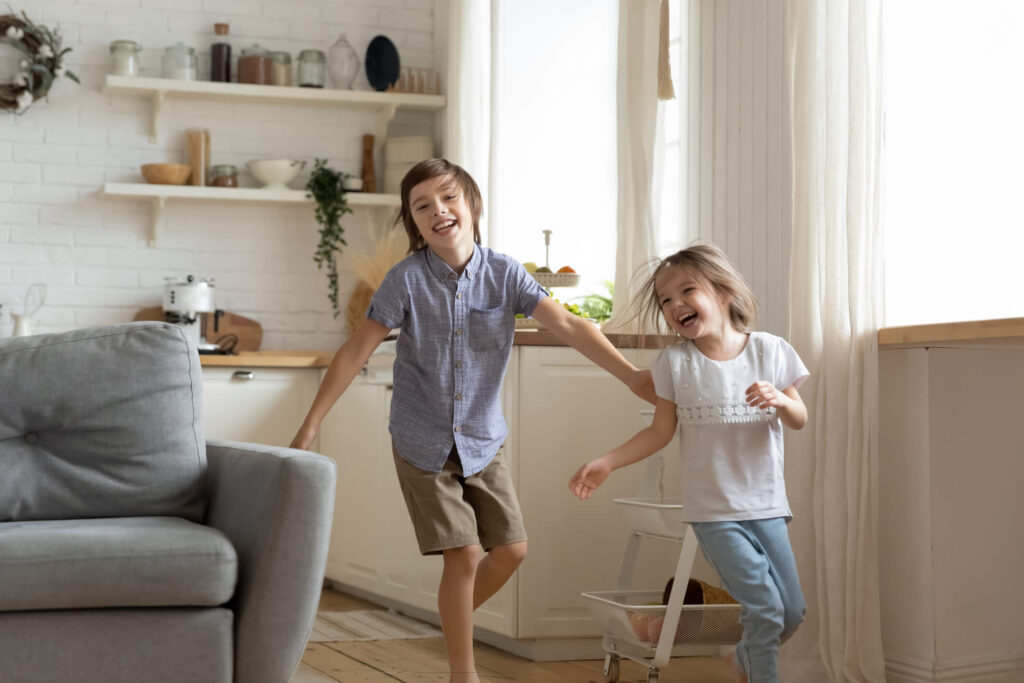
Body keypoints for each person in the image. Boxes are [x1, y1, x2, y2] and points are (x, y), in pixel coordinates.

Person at [291, 158, 656, 683]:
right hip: (422, 441)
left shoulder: (506, 274)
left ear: (472, 205)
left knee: (512, 551)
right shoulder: (405, 280)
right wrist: (311, 424)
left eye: (448, 198)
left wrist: (632, 376)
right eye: (422, 206)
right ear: (414, 223)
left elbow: (570, 325)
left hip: (484, 440)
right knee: (462, 555)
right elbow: (355, 351)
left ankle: (451, 615)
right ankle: (463, 673)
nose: (438, 210)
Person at [568, 243, 808, 683]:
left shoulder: (771, 351)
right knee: (765, 608)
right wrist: (608, 461)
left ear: (724, 292)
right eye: (665, 299)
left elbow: (799, 418)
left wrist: (780, 399)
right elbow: (660, 432)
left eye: (687, 291)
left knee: (790, 612)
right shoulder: (675, 364)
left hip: (768, 507)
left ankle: (743, 658)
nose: (675, 304)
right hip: (714, 514)